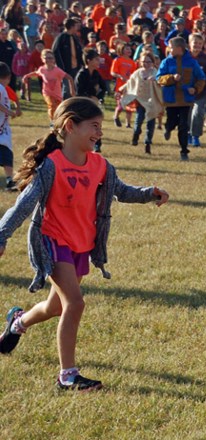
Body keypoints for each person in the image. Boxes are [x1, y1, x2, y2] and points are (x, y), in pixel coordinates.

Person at [0, 97, 170, 389]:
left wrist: (148, 193)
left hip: (82, 244)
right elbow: (23, 205)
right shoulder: (51, 166)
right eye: (94, 126)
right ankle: (67, 376)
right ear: (70, 126)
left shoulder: (100, 165)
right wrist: (2, 234)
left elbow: (121, 191)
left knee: (55, 307)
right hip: (53, 241)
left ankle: (18, 323)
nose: (99, 133)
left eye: (100, 127)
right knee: (75, 304)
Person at [157, 35, 205, 160]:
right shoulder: (166, 62)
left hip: (186, 100)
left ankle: (184, 151)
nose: (169, 49)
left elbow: (201, 78)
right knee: (172, 121)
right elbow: (159, 78)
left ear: (179, 48)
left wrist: (195, 88)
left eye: (171, 47)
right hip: (171, 99)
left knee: (183, 125)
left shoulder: (192, 62)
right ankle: (168, 128)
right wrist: (171, 78)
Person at [119, 49, 163, 154]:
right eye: (144, 61)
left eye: (148, 62)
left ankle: (147, 143)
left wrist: (155, 80)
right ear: (139, 62)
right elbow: (130, 83)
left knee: (150, 124)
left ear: (153, 62)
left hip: (151, 102)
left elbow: (160, 82)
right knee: (138, 121)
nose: (146, 64)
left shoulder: (155, 72)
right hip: (140, 101)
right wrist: (121, 90)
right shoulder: (137, 73)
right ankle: (136, 134)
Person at [22, 48, 74, 121]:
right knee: (52, 106)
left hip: (57, 94)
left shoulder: (57, 70)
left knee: (59, 109)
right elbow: (36, 73)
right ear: (42, 59)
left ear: (54, 59)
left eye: (50, 58)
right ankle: (52, 122)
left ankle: (58, 122)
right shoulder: (42, 69)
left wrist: (72, 91)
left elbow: (70, 78)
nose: (48, 60)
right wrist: (26, 76)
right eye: (46, 58)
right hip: (47, 93)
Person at [0, 63, 17, 190]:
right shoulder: (0, 88)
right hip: (1, 130)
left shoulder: (3, 88)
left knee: (6, 154)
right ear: (7, 77)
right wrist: (10, 112)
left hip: (3, 129)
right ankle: (9, 180)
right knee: (6, 154)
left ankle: (10, 180)